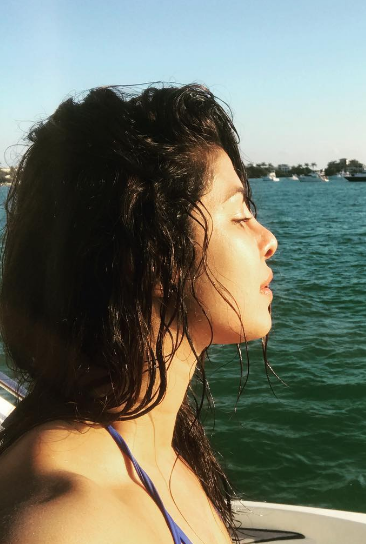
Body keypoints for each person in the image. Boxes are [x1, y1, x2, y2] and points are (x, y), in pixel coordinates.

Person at [0, 84, 278, 544]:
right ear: (150, 259)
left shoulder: (159, 449)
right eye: (239, 215)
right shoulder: (70, 523)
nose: (268, 240)